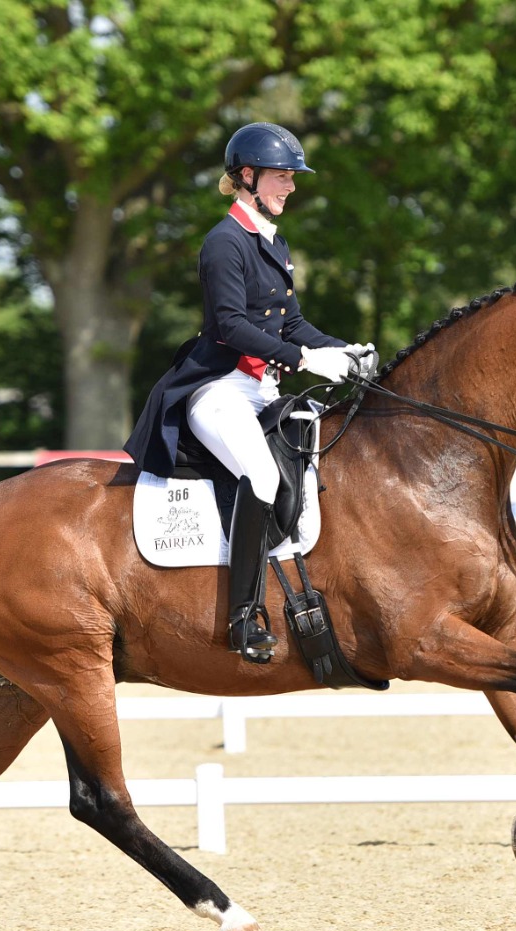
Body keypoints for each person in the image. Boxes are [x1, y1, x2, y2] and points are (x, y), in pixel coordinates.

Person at [125, 122, 374, 664]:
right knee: (260, 474)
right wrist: (308, 360)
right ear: (247, 176)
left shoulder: (272, 242)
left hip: (261, 387)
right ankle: (243, 616)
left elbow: (293, 323)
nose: (290, 187)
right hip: (215, 388)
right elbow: (231, 327)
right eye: (282, 177)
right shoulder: (224, 243)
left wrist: (345, 350)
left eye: (291, 178)